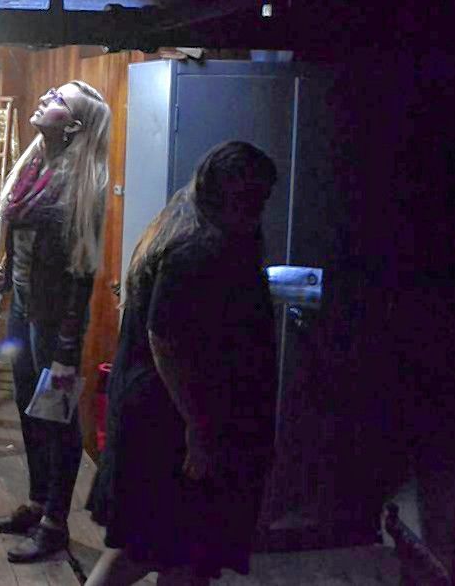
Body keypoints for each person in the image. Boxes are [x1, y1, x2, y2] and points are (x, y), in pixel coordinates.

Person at [85, 141, 279, 585]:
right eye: (255, 196)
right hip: (171, 420)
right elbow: (164, 338)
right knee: (155, 548)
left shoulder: (182, 224)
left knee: (178, 552)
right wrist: (198, 427)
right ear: (232, 195)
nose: (261, 206)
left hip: (168, 415)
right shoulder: (197, 248)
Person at [0, 81, 112, 563]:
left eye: (59, 102)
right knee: (27, 408)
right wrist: (0, 282)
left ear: (74, 126)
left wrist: (64, 350)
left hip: (55, 318)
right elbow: (17, 237)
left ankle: (56, 522)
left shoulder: (83, 182)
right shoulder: (34, 163)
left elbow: (81, 272)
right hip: (24, 307)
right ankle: (38, 504)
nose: (44, 100)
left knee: (56, 418)